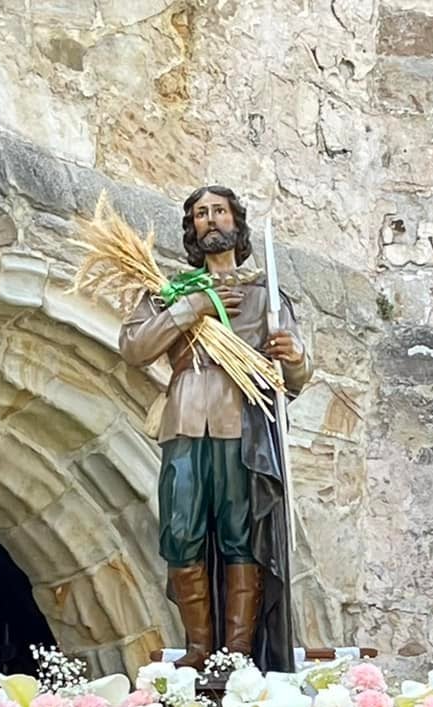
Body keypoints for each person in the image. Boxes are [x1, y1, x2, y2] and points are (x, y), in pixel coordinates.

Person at [118, 184, 312, 669]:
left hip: (242, 422)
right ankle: (200, 649)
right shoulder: (170, 292)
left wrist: (297, 358)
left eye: (219, 212)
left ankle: (238, 654)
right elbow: (135, 349)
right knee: (181, 532)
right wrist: (193, 309)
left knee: (239, 534)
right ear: (192, 228)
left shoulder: (264, 295)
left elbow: (293, 377)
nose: (210, 220)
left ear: (235, 224)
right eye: (201, 214)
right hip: (185, 420)